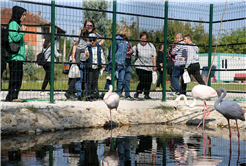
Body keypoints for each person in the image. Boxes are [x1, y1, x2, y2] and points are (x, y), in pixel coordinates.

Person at [70, 19, 105, 101]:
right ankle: (79, 95)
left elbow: (103, 39)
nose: (89, 27)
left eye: (91, 25)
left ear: (93, 26)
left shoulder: (94, 34)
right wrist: (73, 56)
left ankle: (87, 95)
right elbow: (75, 45)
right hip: (80, 56)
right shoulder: (80, 32)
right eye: (88, 25)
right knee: (80, 77)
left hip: (89, 59)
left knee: (87, 79)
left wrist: (97, 46)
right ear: (85, 26)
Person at [5, 6, 27, 102]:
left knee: (18, 77)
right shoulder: (13, 24)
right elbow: (15, 38)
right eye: (23, 15)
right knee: (15, 77)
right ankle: (11, 97)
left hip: (19, 56)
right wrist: (22, 32)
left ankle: (15, 96)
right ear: (18, 14)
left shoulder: (17, 24)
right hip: (15, 56)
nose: (24, 17)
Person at [132, 31, 157, 99]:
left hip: (149, 66)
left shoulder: (151, 46)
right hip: (139, 66)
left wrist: (154, 65)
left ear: (147, 39)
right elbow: (131, 52)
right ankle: (137, 92)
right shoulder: (137, 46)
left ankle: (146, 94)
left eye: (145, 39)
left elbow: (153, 56)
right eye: (142, 38)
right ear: (140, 38)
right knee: (143, 80)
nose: (143, 40)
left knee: (149, 81)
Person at [111, 25, 133, 99]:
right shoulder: (117, 39)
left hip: (128, 61)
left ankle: (127, 94)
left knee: (127, 79)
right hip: (120, 62)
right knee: (121, 79)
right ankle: (118, 93)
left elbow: (131, 49)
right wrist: (112, 61)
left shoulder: (128, 41)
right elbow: (112, 51)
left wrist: (131, 51)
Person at [85, 33, 105, 101]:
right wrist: (86, 55)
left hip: (97, 66)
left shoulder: (99, 48)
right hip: (90, 67)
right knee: (89, 81)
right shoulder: (87, 47)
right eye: (90, 40)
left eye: (93, 40)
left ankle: (93, 94)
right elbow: (86, 58)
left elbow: (102, 56)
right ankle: (88, 95)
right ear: (88, 40)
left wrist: (103, 65)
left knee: (94, 81)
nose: (92, 41)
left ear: (96, 40)